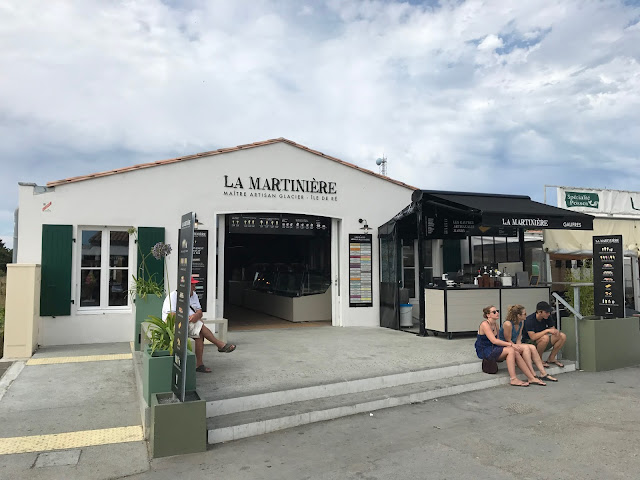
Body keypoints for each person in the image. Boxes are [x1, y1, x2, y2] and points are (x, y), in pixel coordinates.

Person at [162, 277, 236, 373]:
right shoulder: (173, 296)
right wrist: (188, 318)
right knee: (199, 327)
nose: (194, 287)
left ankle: (200, 364)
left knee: (199, 332)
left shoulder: (194, 295)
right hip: (175, 324)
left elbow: (200, 312)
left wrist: (196, 315)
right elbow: (170, 315)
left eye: (194, 285)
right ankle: (219, 345)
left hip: (190, 323)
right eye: (192, 285)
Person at [475, 305, 546, 387]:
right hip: (485, 349)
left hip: (494, 347)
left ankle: (531, 378)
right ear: (488, 315)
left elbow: (498, 341)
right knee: (511, 350)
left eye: (497, 311)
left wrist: (511, 346)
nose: (497, 313)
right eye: (494, 312)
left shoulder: (496, 325)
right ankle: (513, 379)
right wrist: (511, 344)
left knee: (515, 351)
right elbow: (494, 340)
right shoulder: (484, 324)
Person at [499, 305, 558, 382]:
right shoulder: (508, 324)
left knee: (532, 347)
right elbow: (508, 340)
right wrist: (519, 347)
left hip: (514, 344)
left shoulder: (521, 322)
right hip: (505, 345)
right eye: (524, 314)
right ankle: (533, 375)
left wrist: (519, 346)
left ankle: (543, 373)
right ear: (518, 315)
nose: (526, 315)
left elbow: (518, 339)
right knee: (526, 348)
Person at [522, 301, 566, 368]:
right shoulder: (529, 320)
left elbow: (553, 331)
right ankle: (538, 359)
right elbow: (533, 337)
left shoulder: (547, 317)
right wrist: (547, 330)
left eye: (549, 312)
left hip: (542, 340)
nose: (548, 314)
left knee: (562, 336)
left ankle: (552, 358)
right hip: (529, 342)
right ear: (539, 312)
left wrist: (554, 331)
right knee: (545, 338)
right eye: (546, 312)